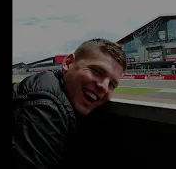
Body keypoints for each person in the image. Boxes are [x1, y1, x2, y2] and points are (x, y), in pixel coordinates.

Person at [12, 38, 127, 169]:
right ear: (68, 62)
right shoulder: (44, 107)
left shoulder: (65, 94)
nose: (104, 87)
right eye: (96, 71)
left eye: (112, 84)